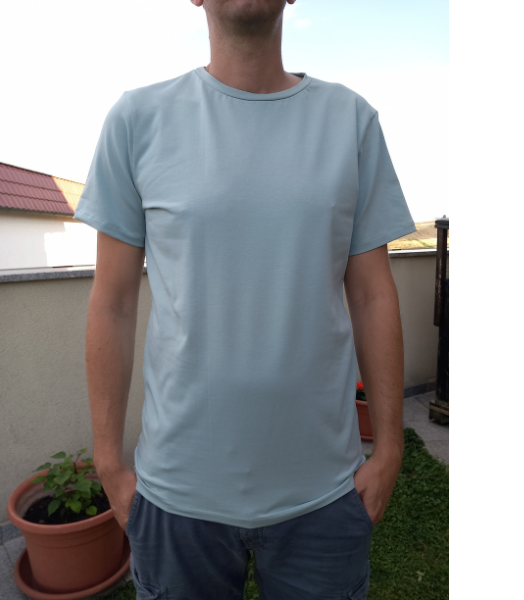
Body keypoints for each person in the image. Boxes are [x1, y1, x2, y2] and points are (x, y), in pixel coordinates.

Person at [74, 1, 416, 598]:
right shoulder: (138, 119)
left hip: (324, 493)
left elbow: (371, 294)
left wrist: (389, 447)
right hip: (177, 496)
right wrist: (109, 461)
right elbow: (113, 303)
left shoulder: (350, 121)